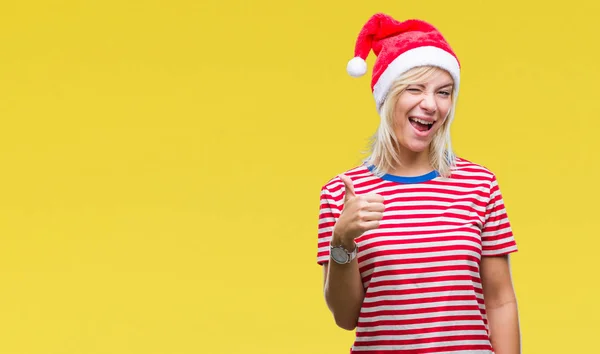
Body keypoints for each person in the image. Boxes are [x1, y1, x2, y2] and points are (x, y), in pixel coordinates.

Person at [316, 13, 521, 354]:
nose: (431, 104)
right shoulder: (341, 192)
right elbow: (346, 316)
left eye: (444, 92)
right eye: (415, 88)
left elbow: (500, 301)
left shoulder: (480, 184)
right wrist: (342, 239)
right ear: (387, 97)